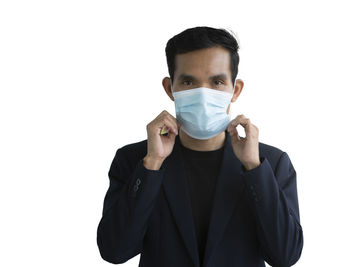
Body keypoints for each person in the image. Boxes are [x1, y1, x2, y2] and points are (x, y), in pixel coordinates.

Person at [96, 26, 303, 267]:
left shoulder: (271, 163)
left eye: (217, 82)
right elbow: (114, 251)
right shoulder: (135, 160)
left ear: (234, 90)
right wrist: (152, 165)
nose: (203, 94)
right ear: (169, 88)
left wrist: (254, 168)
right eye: (188, 81)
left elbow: (285, 255)